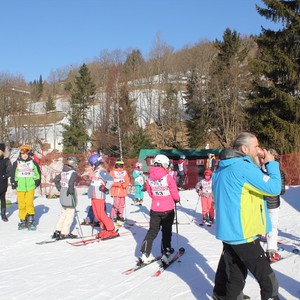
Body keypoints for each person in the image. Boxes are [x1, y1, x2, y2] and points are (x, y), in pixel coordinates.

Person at [212, 132, 281, 300]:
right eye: (256, 146)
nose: (259, 150)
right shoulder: (242, 167)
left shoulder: (222, 167)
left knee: (236, 276)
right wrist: (271, 163)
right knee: (268, 280)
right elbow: (274, 188)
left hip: (229, 233)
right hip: (244, 235)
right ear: (244, 148)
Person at [139, 154, 180, 264]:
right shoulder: (168, 177)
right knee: (166, 232)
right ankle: (166, 254)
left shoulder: (149, 177)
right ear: (163, 164)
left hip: (155, 208)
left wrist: (157, 199)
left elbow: (150, 192)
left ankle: (144, 253)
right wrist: (176, 199)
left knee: (152, 231)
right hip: (168, 209)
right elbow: (174, 193)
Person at [88, 153, 119, 240]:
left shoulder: (101, 171)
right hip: (94, 195)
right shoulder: (96, 171)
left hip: (99, 196)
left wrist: (106, 188)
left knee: (101, 214)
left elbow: (110, 180)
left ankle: (110, 229)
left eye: (92, 163)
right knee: (97, 214)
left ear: (96, 162)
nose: (91, 165)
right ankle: (104, 229)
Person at [10, 145, 41, 230]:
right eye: (23, 154)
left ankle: (30, 220)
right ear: (20, 154)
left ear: (28, 154)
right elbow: (12, 175)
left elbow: (38, 173)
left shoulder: (32, 162)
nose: (25, 155)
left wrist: (37, 182)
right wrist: (13, 185)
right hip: (20, 187)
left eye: (26, 154)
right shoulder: (16, 163)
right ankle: (23, 220)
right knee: (21, 204)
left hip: (30, 187)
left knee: (29, 203)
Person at [263, 148, 286, 262]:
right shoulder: (278, 172)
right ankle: (271, 252)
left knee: (262, 224)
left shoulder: (259, 171)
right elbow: (281, 190)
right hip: (273, 204)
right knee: (273, 227)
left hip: (261, 203)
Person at [52, 156, 80, 240]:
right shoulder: (73, 173)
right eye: (76, 164)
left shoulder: (63, 172)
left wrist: (59, 188)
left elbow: (56, 179)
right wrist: (71, 191)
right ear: (73, 164)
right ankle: (65, 232)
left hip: (63, 193)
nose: (77, 166)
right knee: (70, 214)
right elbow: (71, 183)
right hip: (69, 193)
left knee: (63, 212)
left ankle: (57, 230)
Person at [110, 158, 130, 223]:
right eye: (118, 165)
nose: (119, 167)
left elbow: (127, 180)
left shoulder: (124, 172)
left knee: (122, 204)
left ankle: (120, 215)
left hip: (122, 191)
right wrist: (117, 184)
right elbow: (110, 181)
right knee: (116, 204)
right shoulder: (113, 172)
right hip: (116, 191)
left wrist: (124, 184)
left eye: (121, 165)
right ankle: (114, 215)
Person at [0, 143, 12, 222]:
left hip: (2, 182)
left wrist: (5, 176)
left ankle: (3, 214)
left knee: (2, 198)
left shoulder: (6, 160)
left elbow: (10, 171)